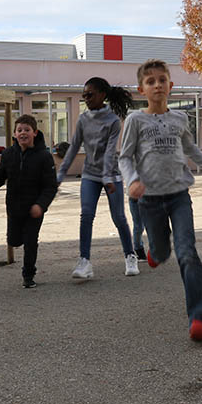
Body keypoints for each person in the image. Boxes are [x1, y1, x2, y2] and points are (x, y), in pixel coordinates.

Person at [119, 59, 202, 343]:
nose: (157, 85)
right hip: (150, 201)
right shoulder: (135, 120)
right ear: (141, 89)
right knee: (163, 251)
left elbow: (191, 148)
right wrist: (132, 181)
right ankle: (155, 252)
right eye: (151, 81)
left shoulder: (180, 119)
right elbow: (125, 157)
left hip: (180, 196)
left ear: (171, 85)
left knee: (187, 253)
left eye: (162, 80)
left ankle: (198, 316)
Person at [57, 76, 139, 279]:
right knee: (86, 216)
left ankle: (130, 255)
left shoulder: (112, 121)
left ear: (102, 95)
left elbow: (110, 152)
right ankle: (84, 261)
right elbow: (74, 146)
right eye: (84, 95)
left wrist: (107, 177)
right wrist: (61, 173)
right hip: (90, 175)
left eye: (90, 94)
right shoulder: (83, 119)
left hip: (111, 174)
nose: (86, 98)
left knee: (118, 217)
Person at [0, 115, 58, 289]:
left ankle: (28, 275)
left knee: (30, 241)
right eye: (19, 130)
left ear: (35, 133)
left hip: (34, 208)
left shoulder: (44, 156)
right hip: (14, 207)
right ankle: (17, 242)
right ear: (14, 134)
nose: (23, 133)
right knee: (14, 241)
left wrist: (41, 205)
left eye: (27, 130)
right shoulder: (8, 154)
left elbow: (50, 186)